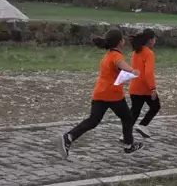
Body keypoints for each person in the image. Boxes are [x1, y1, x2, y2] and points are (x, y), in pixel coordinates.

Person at [57, 29, 143, 159]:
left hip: (99, 93)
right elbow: (119, 63)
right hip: (113, 95)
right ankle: (128, 145)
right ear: (120, 42)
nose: (124, 42)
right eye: (123, 39)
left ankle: (69, 137)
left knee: (93, 121)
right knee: (127, 118)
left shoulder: (107, 56)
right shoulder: (116, 56)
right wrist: (132, 70)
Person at [128, 28, 160, 139]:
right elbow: (149, 72)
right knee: (155, 106)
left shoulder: (135, 52)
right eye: (154, 38)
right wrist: (153, 88)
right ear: (150, 40)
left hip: (134, 86)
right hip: (145, 88)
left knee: (135, 112)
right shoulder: (149, 53)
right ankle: (143, 125)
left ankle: (125, 134)